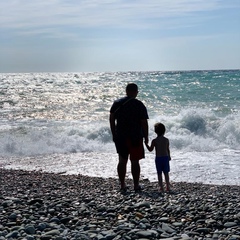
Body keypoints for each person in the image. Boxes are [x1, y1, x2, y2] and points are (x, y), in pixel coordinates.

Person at [109, 83, 149, 192]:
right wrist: (146, 137)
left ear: (126, 91)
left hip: (120, 135)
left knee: (122, 160)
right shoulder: (139, 104)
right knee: (135, 161)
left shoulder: (117, 103)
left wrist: (113, 133)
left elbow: (111, 118)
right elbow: (144, 122)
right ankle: (136, 185)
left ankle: (122, 185)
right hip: (135, 136)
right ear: (136, 92)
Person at [145, 122, 171, 192]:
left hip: (158, 158)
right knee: (166, 173)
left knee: (159, 173)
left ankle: (161, 187)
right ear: (164, 131)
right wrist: (169, 156)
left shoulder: (154, 141)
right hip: (165, 157)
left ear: (155, 131)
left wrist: (146, 144)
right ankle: (168, 186)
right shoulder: (166, 140)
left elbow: (150, 149)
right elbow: (167, 149)